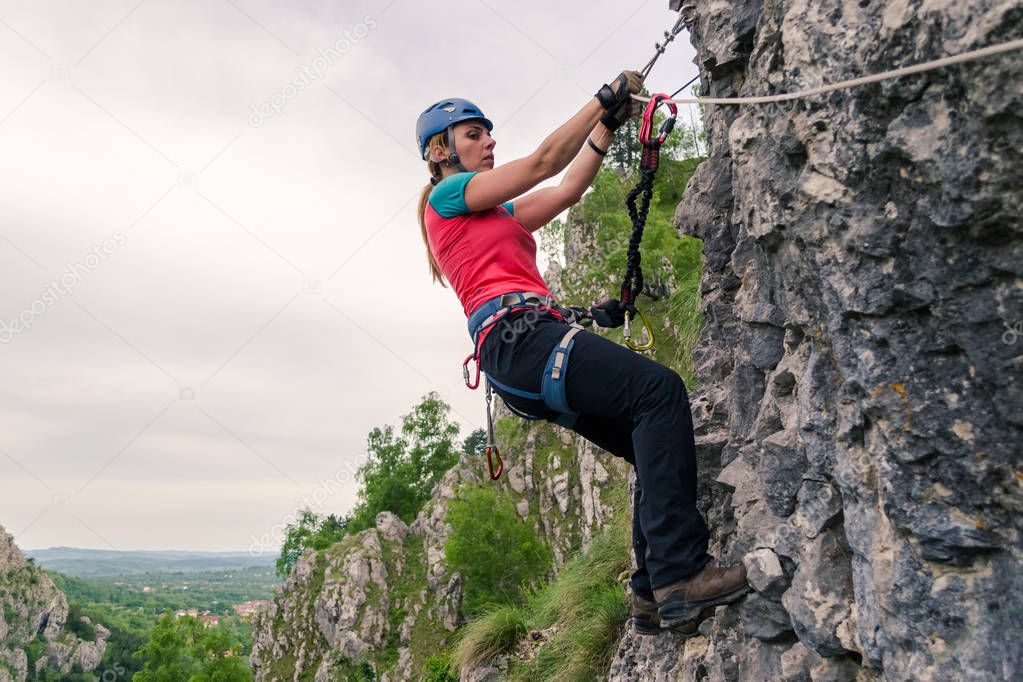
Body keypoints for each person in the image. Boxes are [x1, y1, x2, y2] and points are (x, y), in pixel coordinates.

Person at [414, 71, 750, 635]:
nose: (490, 142)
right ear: (440, 150)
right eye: (476, 134)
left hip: (518, 353)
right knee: (659, 391)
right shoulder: (448, 196)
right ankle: (679, 573)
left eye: (488, 134)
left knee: (652, 439)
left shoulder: (497, 216)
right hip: (519, 340)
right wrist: (599, 98)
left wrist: (606, 125)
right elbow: (545, 161)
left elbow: (567, 188)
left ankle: (650, 594)